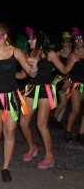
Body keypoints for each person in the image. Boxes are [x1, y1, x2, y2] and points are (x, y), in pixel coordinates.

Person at [0, 22, 38, 183]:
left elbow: (29, 73)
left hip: (11, 96)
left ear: (4, 37)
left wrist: (35, 66)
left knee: (10, 131)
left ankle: (6, 167)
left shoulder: (15, 52)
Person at [19, 27, 77, 168]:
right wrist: (8, 75)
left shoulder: (50, 54)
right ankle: (32, 147)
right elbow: (23, 74)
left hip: (45, 90)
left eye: (31, 38)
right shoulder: (29, 55)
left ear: (38, 40)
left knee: (41, 124)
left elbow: (63, 70)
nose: (28, 41)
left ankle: (49, 156)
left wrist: (71, 63)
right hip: (31, 89)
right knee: (23, 123)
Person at [63, 27, 84, 144]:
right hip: (76, 84)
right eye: (77, 39)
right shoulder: (72, 54)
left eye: (81, 38)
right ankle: (68, 131)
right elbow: (67, 71)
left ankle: (81, 134)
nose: (79, 40)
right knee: (75, 110)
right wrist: (66, 82)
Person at [51, 31, 73, 128]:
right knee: (63, 101)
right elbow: (53, 67)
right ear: (62, 43)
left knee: (66, 101)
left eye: (68, 41)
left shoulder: (74, 53)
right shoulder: (58, 53)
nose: (67, 43)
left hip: (71, 79)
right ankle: (54, 118)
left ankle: (58, 121)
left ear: (71, 43)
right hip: (59, 79)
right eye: (65, 41)